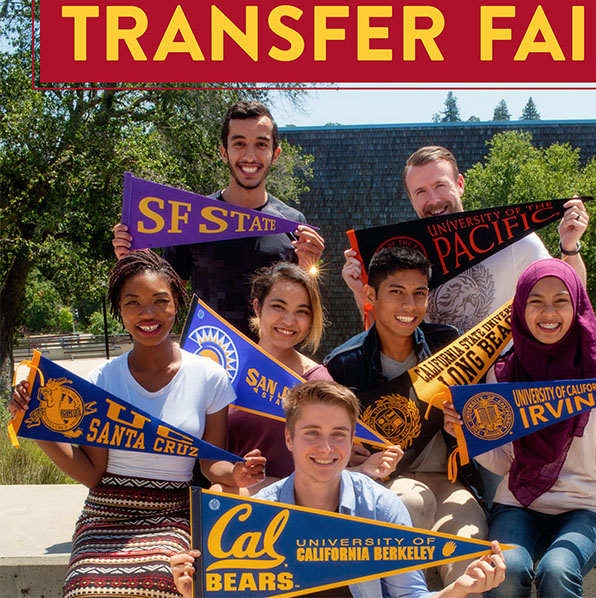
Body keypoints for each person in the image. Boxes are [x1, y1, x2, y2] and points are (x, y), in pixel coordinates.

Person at [9, 250, 266, 598]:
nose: (148, 313)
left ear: (178, 301)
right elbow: (92, 474)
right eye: (133, 303)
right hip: (106, 512)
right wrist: (33, 425)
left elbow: (209, 464)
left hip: (172, 513)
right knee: (84, 588)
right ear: (119, 310)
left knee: (164, 585)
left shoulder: (209, 376)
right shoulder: (102, 379)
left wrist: (236, 473)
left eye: (160, 301)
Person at [443, 258, 596, 598]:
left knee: (557, 569)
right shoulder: (503, 374)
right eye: (536, 301)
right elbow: (504, 464)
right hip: (517, 506)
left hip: (585, 510)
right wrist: (466, 436)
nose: (548, 313)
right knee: (506, 571)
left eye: (561, 301)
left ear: (577, 306)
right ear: (521, 308)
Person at [170, 380, 507, 598]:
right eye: (312, 433)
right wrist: (195, 591)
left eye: (339, 435)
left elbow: (409, 596)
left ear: (351, 441)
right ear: (288, 438)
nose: (326, 448)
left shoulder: (381, 508)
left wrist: (458, 589)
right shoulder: (258, 514)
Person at [325, 246, 485, 588]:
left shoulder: (450, 343)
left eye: (419, 294)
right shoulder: (343, 363)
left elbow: (481, 427)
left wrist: (463, 428)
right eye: (396, 293)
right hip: (389, 480)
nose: (409, 306)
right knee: (410, 502)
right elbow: (330, 437)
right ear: (370, 296)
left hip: (451, 480)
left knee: (470, 565)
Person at [112, 100, 325, 337]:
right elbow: (165, 297)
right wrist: (134, 261)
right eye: (239, 144)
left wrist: (308, 270)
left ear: (275, 154)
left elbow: (304, 310)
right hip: (207, 358)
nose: (250, 155)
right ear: (224, 152)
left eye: (261, 144)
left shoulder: (294, 224)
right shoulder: (191, 218)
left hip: (269, 366)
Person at [342, 145, 588, 333]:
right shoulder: (400, 258)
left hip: (502, 386)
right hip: (433, 391)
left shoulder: (514, 240)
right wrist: (358, 290)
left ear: (460, 185)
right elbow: (384, 335)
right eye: (421, 192)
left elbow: (572, 297)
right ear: (411, 199)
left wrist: (569, 247)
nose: (434, 200)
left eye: (440, 186)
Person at [221, 261, 402, 494]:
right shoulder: (225, 363)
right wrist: (233, 478)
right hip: (233, 500)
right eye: (279, 307)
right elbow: (210, 464)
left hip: (300, 505)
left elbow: (330, 464)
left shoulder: (317, 380)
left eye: (302, 312)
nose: (289, 320)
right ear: (257, 307)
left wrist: (364, 466)